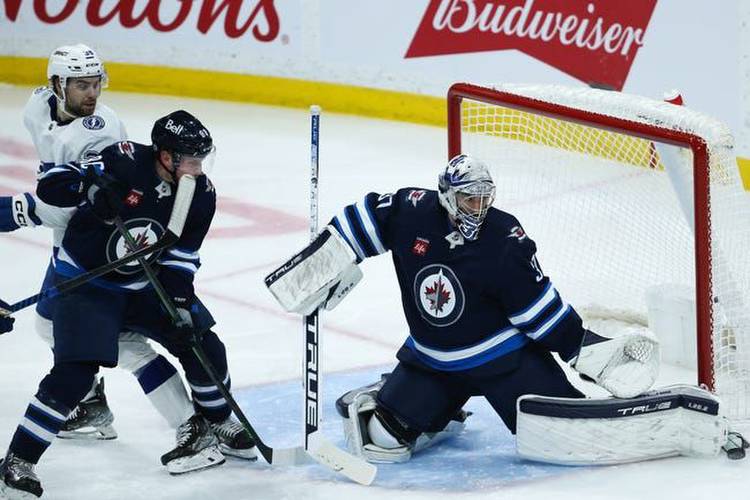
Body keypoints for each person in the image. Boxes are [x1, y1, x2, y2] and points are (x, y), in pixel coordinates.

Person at [265, 154, 663, 464]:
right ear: (446, 196)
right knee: (381, 442)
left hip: (505, 362)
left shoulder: (503, 237)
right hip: (433, 361)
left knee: (571, 436)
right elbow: (364, 219)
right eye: (468, 198)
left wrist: (579, 345)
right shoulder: (412, 210)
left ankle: (440, 405)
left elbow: (535, 308)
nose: (477, 207)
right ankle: (430, 407)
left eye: (483, 198)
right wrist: (321, 265)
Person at [0, 110, 255, 498]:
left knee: (203, 342)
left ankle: (218, 421)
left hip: (143, 283)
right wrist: (90, 188)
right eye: (190, 160)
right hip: (89, 286)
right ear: (164, 155)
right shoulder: (122, 159)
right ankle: (18, 461)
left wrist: (181, 304)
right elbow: (51, 185)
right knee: (76, 373)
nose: (198, 168)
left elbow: (181, 256)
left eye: (202, 159)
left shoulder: (201, 194)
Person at [1, 43, 195, 441]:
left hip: (100, 240)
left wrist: (21, 210)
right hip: (69, 240)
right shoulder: (37, 107)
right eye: (82, 86)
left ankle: (190, 424)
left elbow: (80, 204)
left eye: (96, 84)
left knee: (124, 343)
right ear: (57, 85)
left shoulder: (100, 130)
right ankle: (91, 405)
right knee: (47, 326)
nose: (92, 94)